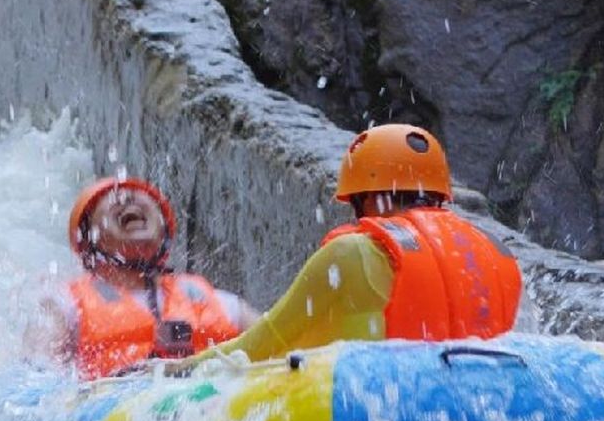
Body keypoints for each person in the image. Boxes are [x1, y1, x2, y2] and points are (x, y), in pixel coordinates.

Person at [181, 124, 522, 366]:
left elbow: (261, 346)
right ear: (439, 195)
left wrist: (176, 371)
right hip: (485, 403)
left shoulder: (353, 254)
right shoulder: (498, 254)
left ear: (362, 199)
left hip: (377, 414)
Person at [39, 176, 258, 379]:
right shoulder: (66, 305)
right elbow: (35, 379)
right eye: (111, 197)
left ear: (163, 231)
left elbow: (280, 343)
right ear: (89, 239)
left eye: (138, 194)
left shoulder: (224, 304)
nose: (127, 198)